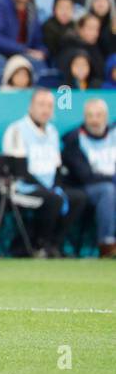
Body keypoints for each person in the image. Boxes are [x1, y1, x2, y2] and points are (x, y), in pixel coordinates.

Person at [2, 88, 88, 258]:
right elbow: (19, 170)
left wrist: (56, 186)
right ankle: (40, 243)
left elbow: (57, 167)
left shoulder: (52, 132)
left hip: (49, 187)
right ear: (30, 107)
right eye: (41, 105)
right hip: (23, 187)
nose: (45, 110)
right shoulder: (17, 130)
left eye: (49, 105)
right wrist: (49, 189)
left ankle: (54, 243)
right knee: (53, 199)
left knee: (78, 197)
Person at [61, 98, 116, 258]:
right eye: (90, 116)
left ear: (106, 116)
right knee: (108, 191)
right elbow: (85, 176)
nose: (94, 120)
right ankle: (107, 245)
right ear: (85, 117)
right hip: (86, 189)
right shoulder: (74, 140)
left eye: (98, 115)